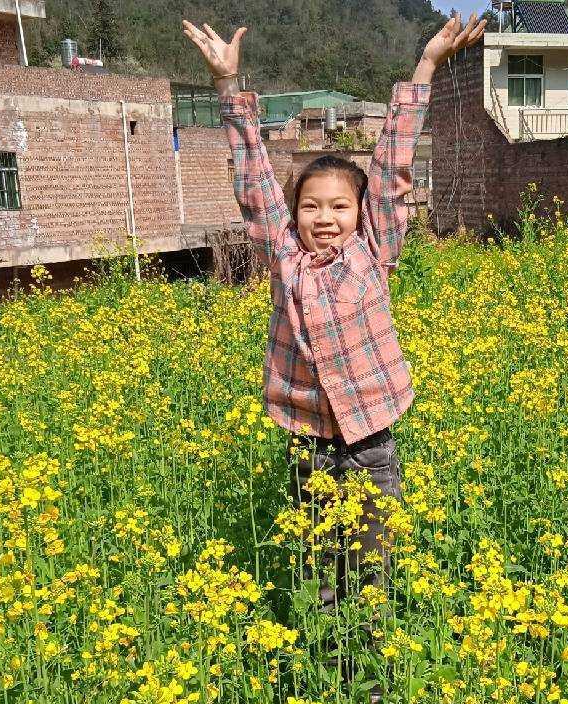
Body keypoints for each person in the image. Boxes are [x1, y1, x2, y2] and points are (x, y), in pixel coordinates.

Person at [182, 13, 486, 610]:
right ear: (292, 218)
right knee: (323, 570)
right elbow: (255, 181)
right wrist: (227, 87)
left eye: (339, 206)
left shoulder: (376, 249)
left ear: (360, 212)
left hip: (370, 439)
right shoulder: (285, 261)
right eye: (311, 207)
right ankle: (329, 674)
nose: (324, 217)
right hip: (310, 445)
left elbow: (393, 165)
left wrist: (425, 67)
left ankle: (368, 688)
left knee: (372, 570)